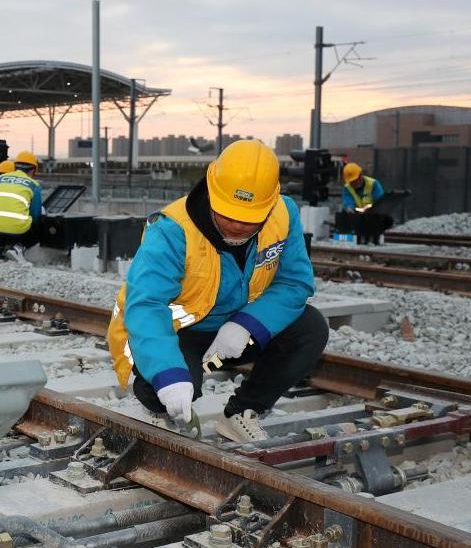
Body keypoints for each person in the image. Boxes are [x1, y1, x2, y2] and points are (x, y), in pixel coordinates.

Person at [106, 140, 328, 443]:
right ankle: (162, 405)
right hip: (181, 331)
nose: (236, 226)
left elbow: (295, 283)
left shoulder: (283, 215)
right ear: (211, 191)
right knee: (168, 387)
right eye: (228, 214)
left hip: (235, 332)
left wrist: (247, 324)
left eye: (248, 219)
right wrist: (168, 374)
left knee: (311, 328)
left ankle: (242, 413)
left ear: (270, 204)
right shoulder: (172, 230)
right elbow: (146, 305)